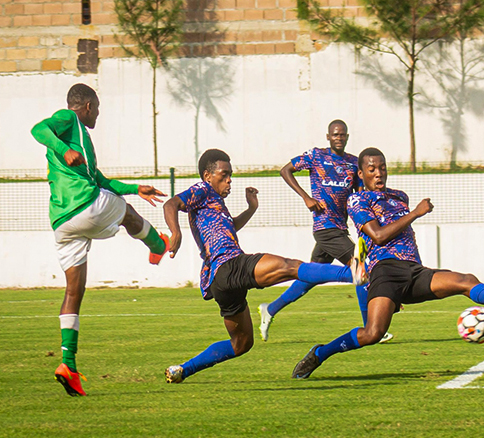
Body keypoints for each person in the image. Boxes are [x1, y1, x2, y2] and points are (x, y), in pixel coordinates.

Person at [291, 147, 484, 379]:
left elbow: (408, 237)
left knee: (465, 280)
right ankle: (320, 353)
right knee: (372, 333)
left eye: (382, 168)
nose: (378, 173)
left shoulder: (399, 196)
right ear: (361, 173)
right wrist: (415, 213)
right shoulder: (358, 200)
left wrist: (415, 258)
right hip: (385, 273)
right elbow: (378, 236)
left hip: (414, 271)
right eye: (372, 169)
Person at [162, 149, 367, 383]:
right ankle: (353, 273)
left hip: (219, 282)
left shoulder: (213, 202)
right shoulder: (202, 189)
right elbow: (171, 204)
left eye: (231, 175)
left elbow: (229, 228)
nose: (229, 180)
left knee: (242, 344)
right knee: (290, 266)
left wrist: (251, 209)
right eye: (224, 174)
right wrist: (175, 232)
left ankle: (182, 370)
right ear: (208, 175)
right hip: (230, 265)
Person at [31, 83, 170, 397]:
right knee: (126, 213)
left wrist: (136, 187)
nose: (98, 115)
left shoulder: (81, 143)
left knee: (74, 291)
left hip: (63, 222)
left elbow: (102, 181)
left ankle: (68, 363)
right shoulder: (69, 119)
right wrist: (63, 148)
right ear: (89, 106)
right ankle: (158, 246)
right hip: (85, 205)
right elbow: (38, 128)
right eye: (98, 109)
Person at [258, 120, 393, 343]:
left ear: (347, 137)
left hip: (341, 227)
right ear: (328, 137)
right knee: (360, 270)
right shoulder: (316, 156)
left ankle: (270, 309)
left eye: (342, 135)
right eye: (335, 135)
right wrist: (306, 198)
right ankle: (371, 328)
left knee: (310, 276)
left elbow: (360, 193)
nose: (339, 138)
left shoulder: (352, 163)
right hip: (324, 227)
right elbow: (286, 170)